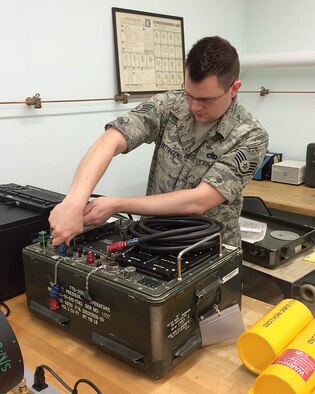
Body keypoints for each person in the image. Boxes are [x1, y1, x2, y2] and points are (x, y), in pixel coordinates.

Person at [49, 36, 269, 248]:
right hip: (152, 239)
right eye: (189, 95)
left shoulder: (251, 136)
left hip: (208, 248)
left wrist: (117, 204)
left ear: (234, 89)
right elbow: (111, 140)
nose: (194, 107)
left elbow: (198, 201)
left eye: (206, 100)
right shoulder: (168, 104)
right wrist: (74, 201)